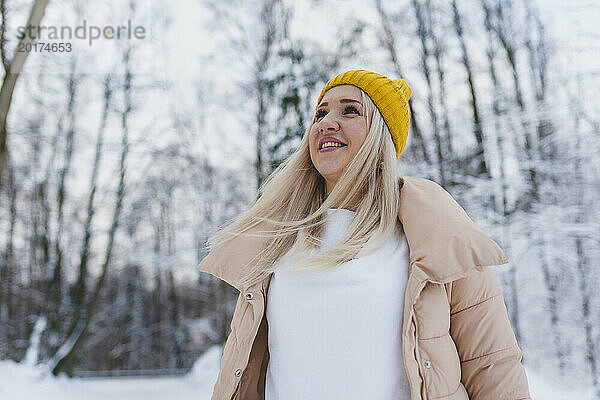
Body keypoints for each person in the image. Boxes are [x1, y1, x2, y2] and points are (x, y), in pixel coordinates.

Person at [196, 69, 531, 400]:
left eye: (350, 110)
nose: (326, 122)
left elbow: (492, 365)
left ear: (380, 137)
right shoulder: (277, 241)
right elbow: (239, 375)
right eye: (320, 113)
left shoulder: (436, 234)